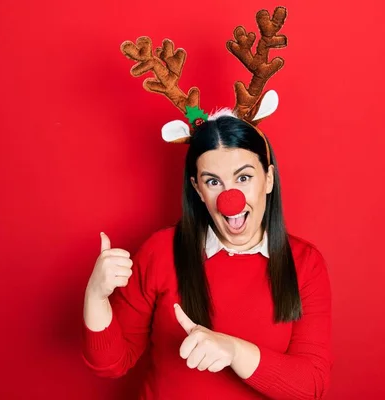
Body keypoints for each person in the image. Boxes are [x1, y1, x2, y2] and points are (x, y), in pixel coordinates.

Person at [82, 6, 332, 399]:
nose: (230, 198)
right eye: (213, 181)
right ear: (198, 189)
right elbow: (112, 364)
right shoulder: (160, 252)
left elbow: (311, 387)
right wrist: (95, 297)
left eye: (244, 178)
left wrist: (231, 349)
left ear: (268, 179)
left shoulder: (305, 264)